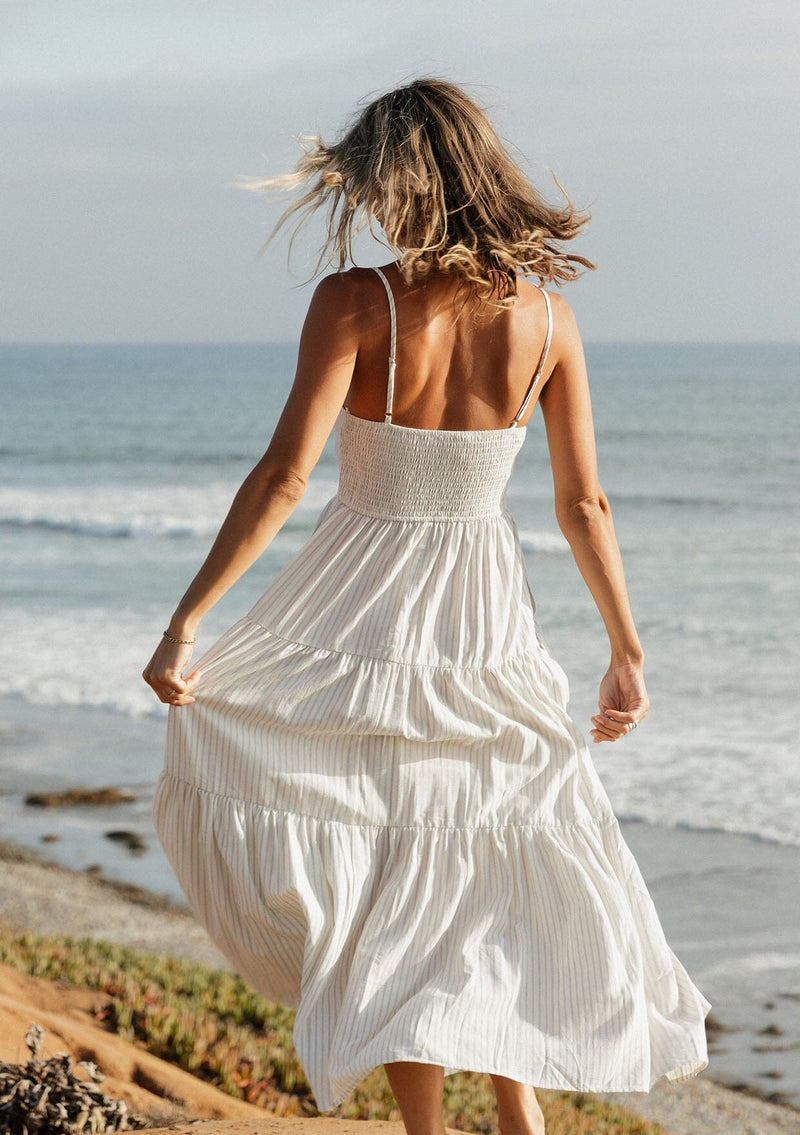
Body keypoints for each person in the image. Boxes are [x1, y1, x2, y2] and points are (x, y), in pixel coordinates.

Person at [143, 78, 711, 1135]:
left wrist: (189, 622)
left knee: (386, 867)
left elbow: (282, 477)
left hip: (358, 608)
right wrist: (623, 647)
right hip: (481, 615)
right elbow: (582, 502)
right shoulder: (549, 320)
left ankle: (428, 1130)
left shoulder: (357, 301)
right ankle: (515, 1113)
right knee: (486, 845)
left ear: (400, 182)